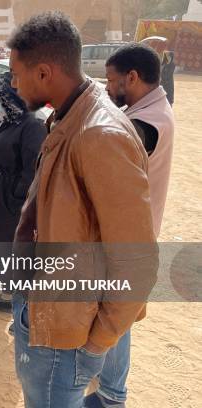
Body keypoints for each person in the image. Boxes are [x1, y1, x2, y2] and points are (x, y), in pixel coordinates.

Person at [7, 12, 157, 407]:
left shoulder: (99, 135)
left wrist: (97, 345)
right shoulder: (68, 117)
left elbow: (137, 261)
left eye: (16, 73)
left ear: (43, 73)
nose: (12, 83)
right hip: (46, 314)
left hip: (67, 337)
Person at [86, 43, 175, 408]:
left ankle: (111, 396)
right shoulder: (151, 110)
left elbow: (100, 154)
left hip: (124, 242)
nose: (107, 88)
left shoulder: (145, 124)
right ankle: (108, 387)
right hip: (126, 235)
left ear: (132, 78)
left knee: (115, 317)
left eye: (111, 81)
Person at [0, 71, 46, 312]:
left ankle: (21, 311)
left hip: (12, 202)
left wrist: (15, 199)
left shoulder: (32, 124)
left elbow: (33, 169)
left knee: (15, 250)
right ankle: (6, 295)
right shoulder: (4, 121)